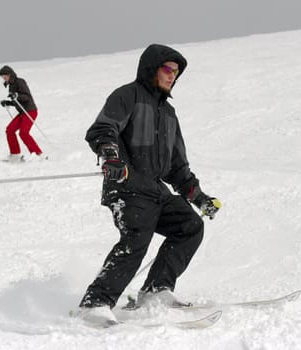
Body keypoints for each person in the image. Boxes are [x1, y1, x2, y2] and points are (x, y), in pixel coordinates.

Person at [78, 44, 222, 324]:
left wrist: (199, 197)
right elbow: (102, 130)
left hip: (154, 190)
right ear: (151, 68)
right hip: (126, 184)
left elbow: (177, 168)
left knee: (190, 226)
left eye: (176, 72)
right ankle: (94, 303)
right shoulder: (127, 96)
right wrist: (111, 157)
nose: (172, 76)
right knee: (138, 236)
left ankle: (156, 289)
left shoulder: (169, 115)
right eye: (168, 69)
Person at [0, 65, 45, 161]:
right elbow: (17, 101)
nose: (4, 78)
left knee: (23, 133)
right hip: (22, 112)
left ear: (10, 74)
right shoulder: (11, 85)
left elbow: (27, 97)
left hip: (30, 111)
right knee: (10, 130)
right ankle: (15, 154)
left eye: (5, 76)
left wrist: (17, 95)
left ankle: (38, 154)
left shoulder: (20, 81)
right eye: (2, 77)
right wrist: (8, 102)